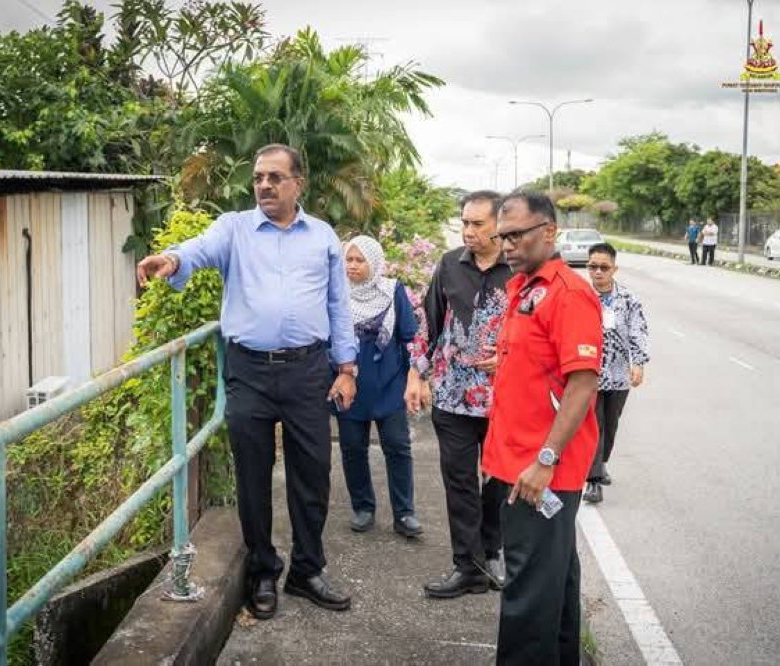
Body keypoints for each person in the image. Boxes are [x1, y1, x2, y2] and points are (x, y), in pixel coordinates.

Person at [136, 144, 357, 620]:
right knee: (253, 479)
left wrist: (346, 368)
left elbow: (339, 306)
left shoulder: (321, 237)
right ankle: (262, 572)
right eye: (258, 177)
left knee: (313, 475)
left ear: (299, 183)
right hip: (250, 372)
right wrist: (173, 261)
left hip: (308, 371)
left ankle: (307, 570)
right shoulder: (234, 229)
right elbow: (197, 249)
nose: (264, 185)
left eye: (275, 177)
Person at [481, 191, 602, 665]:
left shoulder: (568, 293)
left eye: (516, 235)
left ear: (549, 232)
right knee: (554, 583)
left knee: (528, 595)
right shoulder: (528, 287)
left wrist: (545, 461)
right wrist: (506, 363)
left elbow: (583, 382)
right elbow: (543, 362)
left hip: (539, 470)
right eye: (501, 236)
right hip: (517, 461)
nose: (506, 245)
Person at [406, 190, 511, 598]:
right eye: (464, 222)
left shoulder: (517, 269)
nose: (468, 231)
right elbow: (428, 322)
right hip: (452, 397)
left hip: (503, 399)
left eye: (477, 224)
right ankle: (466, 566)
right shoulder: (450, 264)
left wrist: (509, 356)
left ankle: (492, 549)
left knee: (500, 480)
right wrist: (417, 374)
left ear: (499, 225)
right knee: (459, 482)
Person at [337, 235, 422, 538]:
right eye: (349, 259)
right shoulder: (337, 294)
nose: (353, 266)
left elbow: (409, 336)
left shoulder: (392, 290)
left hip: (390, 384)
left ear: (374, 263)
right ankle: (363, 508)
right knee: (352, 449)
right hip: (349, 386)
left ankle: (405, 513)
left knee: (398, 447)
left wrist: (415, 376)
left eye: (360, 260)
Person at [582, 242, 651, 504]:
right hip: (588, 374)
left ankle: (601, 463)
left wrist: (639, 363)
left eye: (603, 267)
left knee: (610, 427)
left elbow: (639, 331)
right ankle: (594, 481)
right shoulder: (580, 295)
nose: (597, 272)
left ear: (614, 268)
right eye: (592, 266)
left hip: (619, 374)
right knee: (594, 426)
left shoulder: (629, 299)